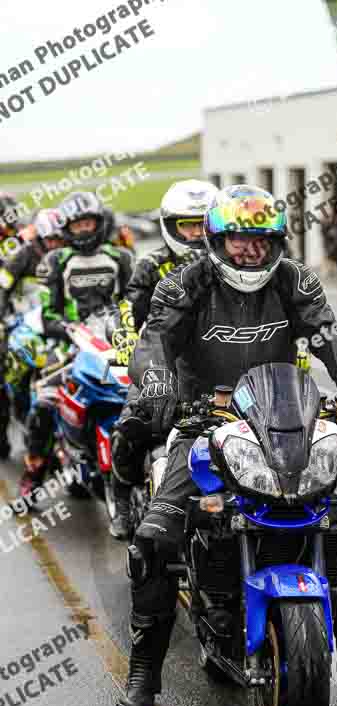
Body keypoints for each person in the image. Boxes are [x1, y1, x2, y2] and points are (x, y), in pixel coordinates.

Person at [116, 184, 337, 706]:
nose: (250, 251)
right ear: (218, 240)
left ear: (276, 242)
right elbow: (155, 341)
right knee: (154, 539)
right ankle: (144, 671)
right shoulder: (185, 282)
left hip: (283, 419)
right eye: (239, 240)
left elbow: (332, 335)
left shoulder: (295, 279)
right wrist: (155, 387)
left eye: (261, 240)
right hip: (203, 420)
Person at [109, 179, 218, 540]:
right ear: (170, 227)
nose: (195, 234)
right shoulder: (151, 265)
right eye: (187, 225)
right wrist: (125, 338)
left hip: (223, 367)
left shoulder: (232, 264)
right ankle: (122, 498)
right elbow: (127, 308)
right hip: (163, 366)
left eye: (203, 224)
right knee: (131, 428)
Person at [19, 191, 134, 496]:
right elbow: (48, 314)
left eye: (88, 223)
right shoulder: (55, 260)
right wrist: (71, 329)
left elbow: (136, 303)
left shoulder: (121, 257)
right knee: (43, 403)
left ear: (98, 222)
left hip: (116, 343)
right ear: (67, 228)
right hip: (68, 346)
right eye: (77, 225)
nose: (83, 230)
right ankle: (34, 471)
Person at [0, 209, 65, 459]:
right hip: (20, 324)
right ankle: (8, 419)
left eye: (60, 240)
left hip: (56, 324)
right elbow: (2, 288)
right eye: (51, 240)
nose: (55, 245)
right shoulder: (20, 257)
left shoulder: (67, 257)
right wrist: (3, 320)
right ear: (39, 239)